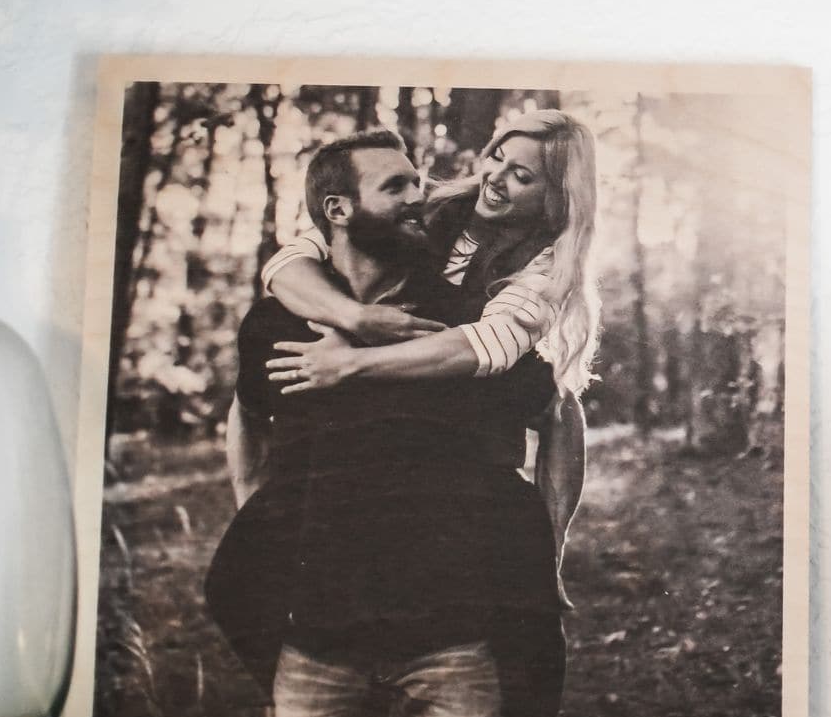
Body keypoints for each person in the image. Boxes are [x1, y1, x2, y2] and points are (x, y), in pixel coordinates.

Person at [205, 130, 564, 717]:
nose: (418, 197)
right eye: (395, 186)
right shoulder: (276, 322)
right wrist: (260, 519)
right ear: (339, 210)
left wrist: (552, 545)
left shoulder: (458, 318)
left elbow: (557, 410)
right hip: (318, 646)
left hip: (451, 646)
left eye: (417, 183)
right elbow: (248, 414)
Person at [253, 108, 600, 592]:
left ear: (556, 198)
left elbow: (490, 346)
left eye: (521, 176)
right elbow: (290, 260)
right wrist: (357, 318)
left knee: (557, 401)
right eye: (496, 158)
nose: (495, 179)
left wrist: (351, 364)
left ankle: (545, 555)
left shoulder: (548, 266)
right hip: (393, 402)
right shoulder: (432, 203)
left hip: (466, 404)